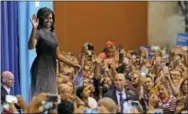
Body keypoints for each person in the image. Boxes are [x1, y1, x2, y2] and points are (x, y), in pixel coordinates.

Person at [28, 7, 80, 97]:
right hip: (41, 68)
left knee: (51, 99)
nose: (49, 20)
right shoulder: (38, 32)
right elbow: (31, 46)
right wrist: (34, 29)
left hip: (51, 68)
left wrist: (73, 64)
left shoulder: (53, 34)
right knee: (41, 97)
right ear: (40, 19)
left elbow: (58, 55)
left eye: (51, 18)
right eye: (46, 18)